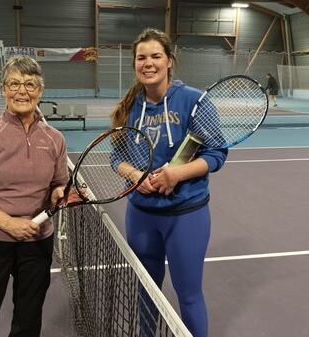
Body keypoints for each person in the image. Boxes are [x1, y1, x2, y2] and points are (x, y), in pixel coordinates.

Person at [110, 28, 228, 337]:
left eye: (155, 56)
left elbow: (215, 153)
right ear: (135, 63)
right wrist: (136, 177)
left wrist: (176, 174)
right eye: (141, 57)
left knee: (188, 295)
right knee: (146, 291)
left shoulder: (193, 100)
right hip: (141, 216)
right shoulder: (130, 105)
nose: (148, 63)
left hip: (186, 216)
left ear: (169, 61)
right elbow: (116, 158)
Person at [0, 55, 69, 337]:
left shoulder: (55, 138)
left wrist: (58, 194)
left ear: (40, 90)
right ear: (4, 89)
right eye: (14, 83)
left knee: (28, 323)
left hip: (37, 244)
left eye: (30, 84)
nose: (22, 91)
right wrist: (9, 224)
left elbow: (59, 184)